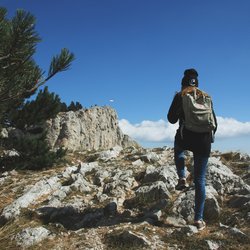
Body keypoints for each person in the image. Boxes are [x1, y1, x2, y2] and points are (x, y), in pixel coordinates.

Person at [167, 68, 217, 230]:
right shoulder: (205, 96)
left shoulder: (180, 95)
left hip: (186, 137)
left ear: (183, 83)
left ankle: (181, 177)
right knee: (200, 179)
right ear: (197, 83)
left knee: (178, 146)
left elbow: (171, 119)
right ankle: (198, 219)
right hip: (204, 141)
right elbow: (213, 121)